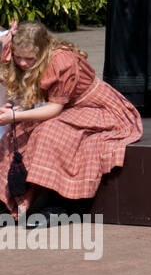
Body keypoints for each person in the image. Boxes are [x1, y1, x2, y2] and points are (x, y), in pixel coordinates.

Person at [0, 22, 143, 216]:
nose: (23, 63)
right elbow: (34, 95)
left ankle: (60, 202)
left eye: (29, 58)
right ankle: (6, 202)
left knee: (51, 133)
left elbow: (53, 109)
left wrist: (16, 115)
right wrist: (16, 111)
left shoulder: (62, 61)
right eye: (19, 57)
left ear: (42, 50)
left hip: (96, 107)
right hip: (65, 108)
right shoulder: (23, 58)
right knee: (16, 132)